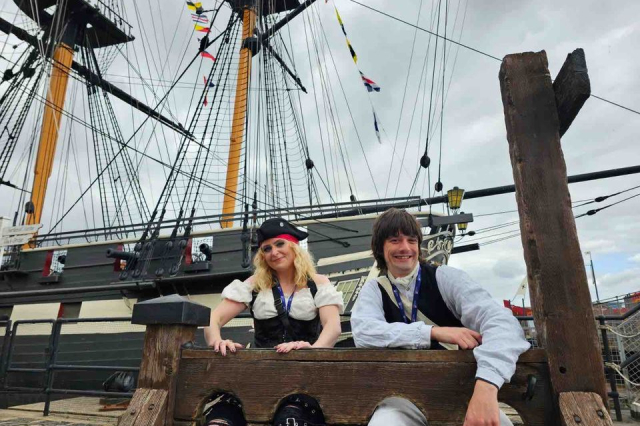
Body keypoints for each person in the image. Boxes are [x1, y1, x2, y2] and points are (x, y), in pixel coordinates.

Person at [350, 208, 530, 426]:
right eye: (395, 240)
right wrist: (433, 332)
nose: (405, 247)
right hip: (399, 399)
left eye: (411, 240)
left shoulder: (445, 278)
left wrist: (486, 386)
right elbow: (364, 332)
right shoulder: (374, 290)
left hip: (458, 393)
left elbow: (502, 323)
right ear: (380, 247)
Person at [203, 217, 344, 426]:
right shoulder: (255, 285)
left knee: (290, 420)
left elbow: (333, 327)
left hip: (303, 379)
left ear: (294, 247)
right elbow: (212, 319)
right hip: (259, 376)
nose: (274, 252)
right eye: (267, 248)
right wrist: (217, 341)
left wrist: (314, 350)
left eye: (280, 244)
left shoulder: (317, 284)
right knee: (220, 421)